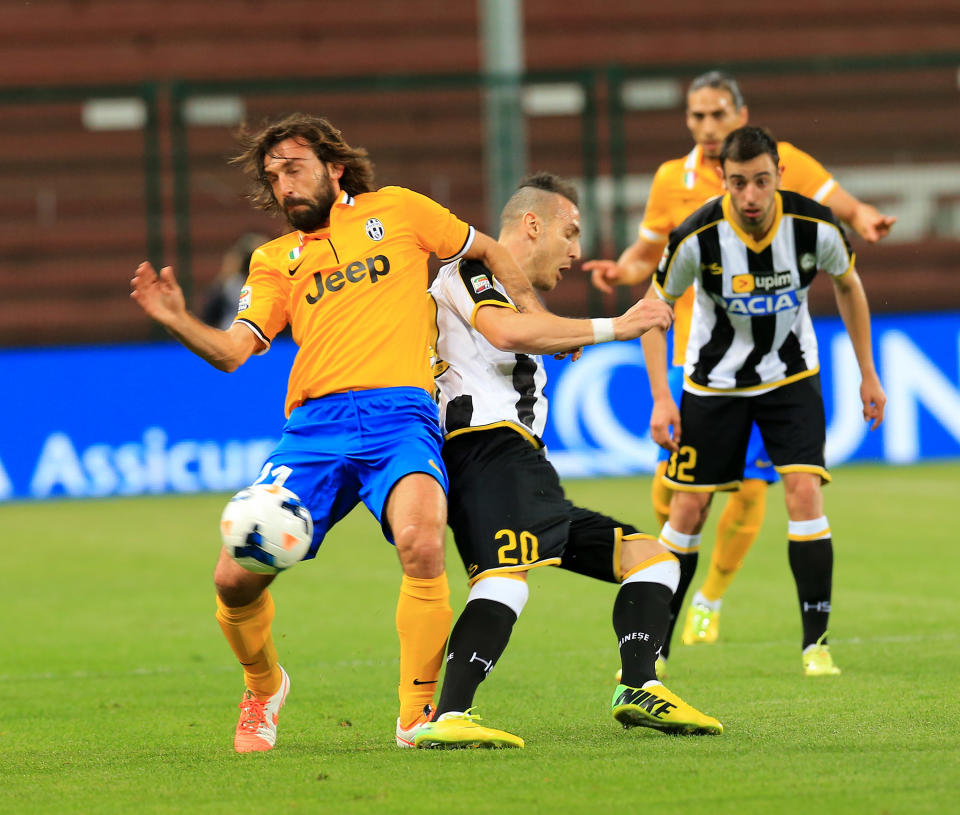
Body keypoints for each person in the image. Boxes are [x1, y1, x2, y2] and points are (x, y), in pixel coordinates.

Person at [130, 113, 546, 753]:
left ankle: (417, 717)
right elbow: (234, 350)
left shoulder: (401, 212)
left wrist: (536, 317)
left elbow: (486, 248)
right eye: (272, 177)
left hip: (399, 415)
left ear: (335, 167)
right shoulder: (273, 260)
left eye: (293, 168)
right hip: (314, 430)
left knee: (422, 540)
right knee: (232, 579)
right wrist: (177, 318)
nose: (283, 185)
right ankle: (264, 687)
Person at [584, 71, 896, 665]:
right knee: (686, 507)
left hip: (791, 377)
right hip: (711, 382)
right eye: (737, 184)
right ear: (721, 181)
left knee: (800, 493)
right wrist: (660, 396)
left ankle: (814, 646)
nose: (750, 197)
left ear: (779, 173)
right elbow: (654, 308)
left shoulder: (814, 225)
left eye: (760, 181)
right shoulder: (697, 234)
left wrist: (868, 373)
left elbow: (850, 287)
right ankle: (659, 651)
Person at [404, 172, 722, 750]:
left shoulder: (508, 291)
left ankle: (639, 685)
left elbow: (519, 325)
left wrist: (559, 330)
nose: (577, 251)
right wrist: (616, 327)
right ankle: (448, 712)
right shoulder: (471, 270)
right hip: (486, 447)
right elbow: (503, 332)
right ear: (532, 224)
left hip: (515, 460)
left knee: (653, 560)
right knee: (505, 574)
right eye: (570, 232)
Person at [201, 232, 269, 330]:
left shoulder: (268, 281)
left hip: (268, 336)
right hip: (231, 333)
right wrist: (225, 275)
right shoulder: (231, 283)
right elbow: (210, 315)